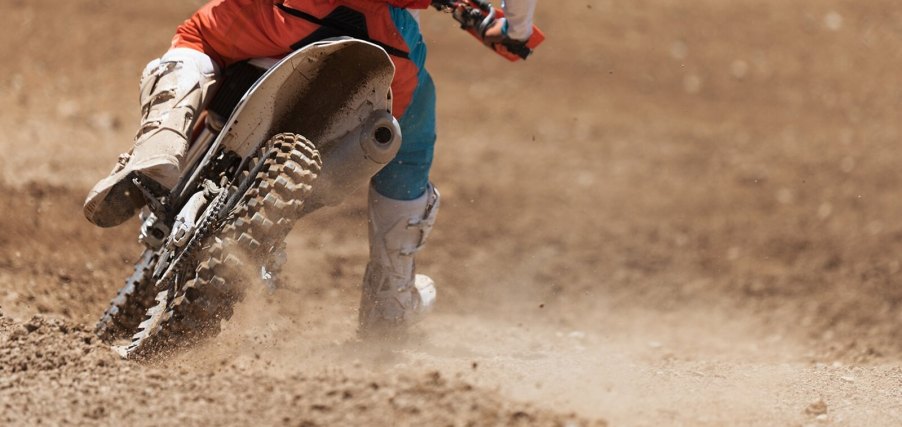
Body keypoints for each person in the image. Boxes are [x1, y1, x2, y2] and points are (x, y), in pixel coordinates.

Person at [83, 0, 538, 336]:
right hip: (385, 39)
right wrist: (516, 25)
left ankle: (160, 145)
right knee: (407, 136)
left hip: (284, 13)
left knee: (199, 38)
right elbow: (512, 23)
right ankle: (389, 298)